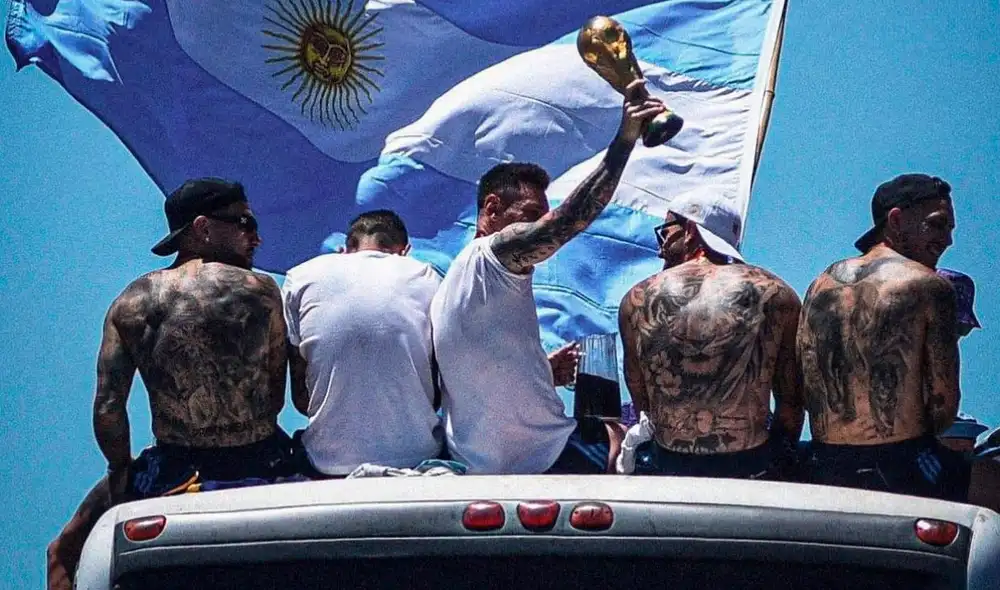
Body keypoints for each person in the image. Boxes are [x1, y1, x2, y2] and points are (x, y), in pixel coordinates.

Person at [47, 179, 296, 590]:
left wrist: (119, 474)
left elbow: (109, 405)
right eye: (244, 223)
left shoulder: (129, 303)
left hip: (175, 473)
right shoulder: (261, 291)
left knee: (70, 543)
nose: (256, 237)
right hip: (261, 465)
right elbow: (274, 395)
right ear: (202, 228)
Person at [430, 79, 666, 474]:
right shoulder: (491, 254)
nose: (539, 224)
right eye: (529, 215)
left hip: (477, 467)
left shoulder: (456, 284)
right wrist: (625, 140)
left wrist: (543, 370)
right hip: (550, 458)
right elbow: (569, 220)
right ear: (492, 208)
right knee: (630, 442)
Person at [798, 173, 965, 500]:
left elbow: (805, 386)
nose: (947, 240)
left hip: (824, 464)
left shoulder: (820, 285)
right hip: (901, 467)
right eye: (937, 225)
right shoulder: (930, 287)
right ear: (897, 219)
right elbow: (944, 402)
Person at [616, 194, 803, 479]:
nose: (660, 248)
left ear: (690, 230)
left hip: (668, 465)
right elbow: (790, 405)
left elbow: (644, 404)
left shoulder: (637, 300)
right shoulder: (777, 294)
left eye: (665, 233)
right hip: (751, 466)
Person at [281, 210, 445, 476]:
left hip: (326, 461)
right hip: (418, 457)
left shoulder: (300, 276)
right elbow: (438, 392)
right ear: (405, 251)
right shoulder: (427, 276)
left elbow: (301, 399)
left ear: (344, 249)